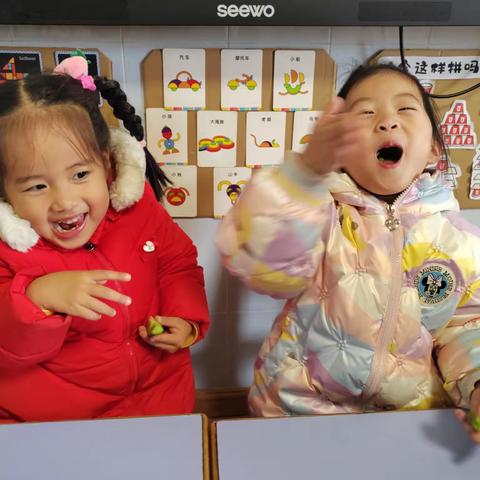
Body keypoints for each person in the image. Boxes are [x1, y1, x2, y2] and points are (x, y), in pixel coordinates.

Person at [216, 63, 480, 442]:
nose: (387, 122)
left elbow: (468, 326)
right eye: (366, 113)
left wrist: (477, 383)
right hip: (298, 411)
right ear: (341, 150)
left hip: (406, 418)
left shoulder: (458, 241)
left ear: (434, 150)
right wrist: (306, 172)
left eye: (405, 109)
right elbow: (261, 265)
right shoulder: (319, 210)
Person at [0, 54, 209, 423]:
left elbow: (177, 264)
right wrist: (36, 297)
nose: (64, 201)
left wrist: (185, 319)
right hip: (53, 421)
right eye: (36, 186)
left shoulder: (138, 206)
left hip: (158, 398)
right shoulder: (9, 245)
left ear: (106, 163)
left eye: (80, 174)